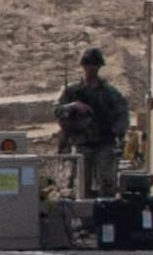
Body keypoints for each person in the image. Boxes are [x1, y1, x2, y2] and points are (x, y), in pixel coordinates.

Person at [55, 47, 130, 200]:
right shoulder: (71, 91)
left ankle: (107, 215)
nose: (91, 68)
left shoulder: (109, 93)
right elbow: (56, 111)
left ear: (99, 67)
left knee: (107, 182)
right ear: (82, 66)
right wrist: (74, 106)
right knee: (82, 185)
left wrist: (119, 134)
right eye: (88, 64)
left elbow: (122, 114)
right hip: (81, 143)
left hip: (104, 142)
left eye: (94, 65)